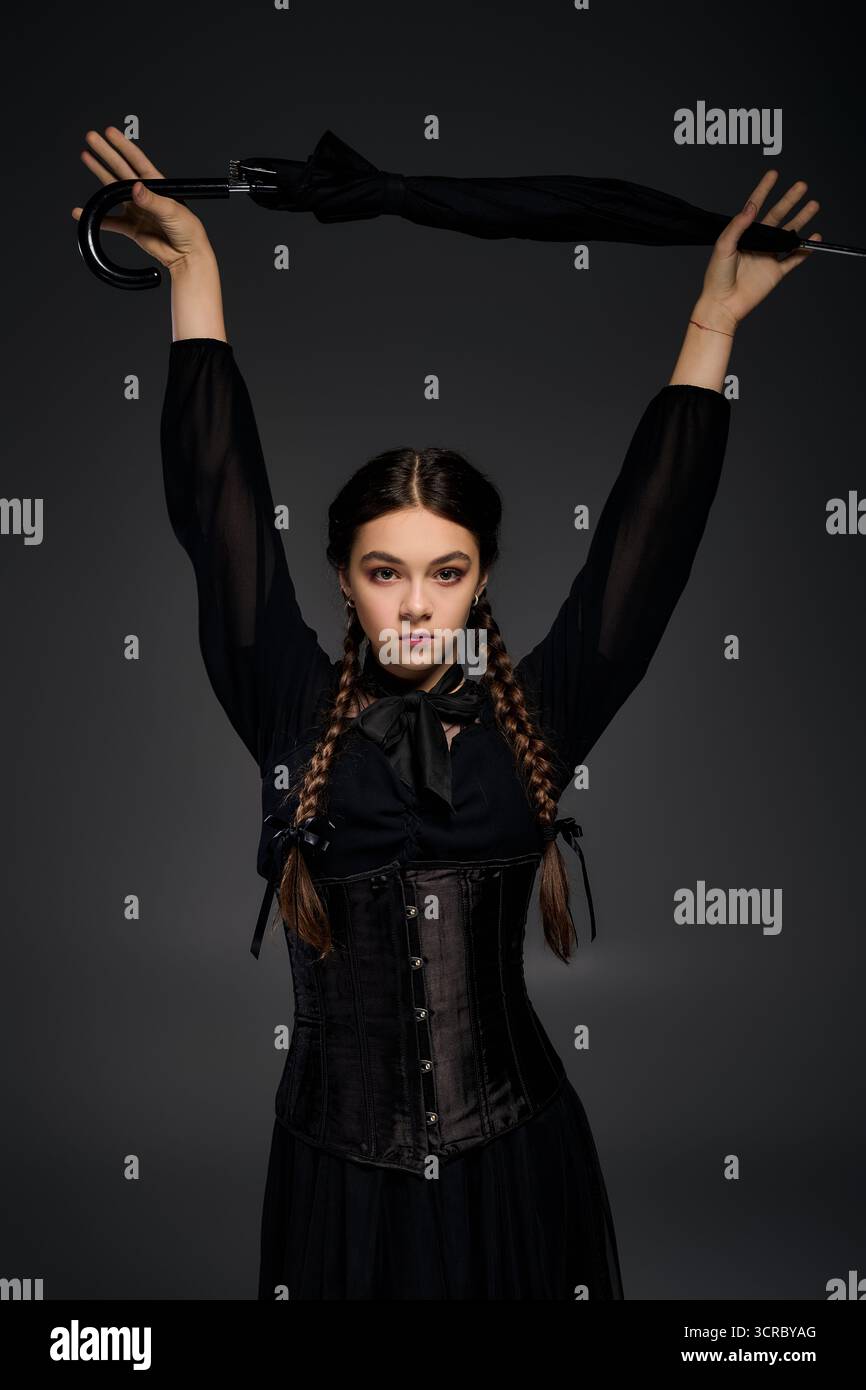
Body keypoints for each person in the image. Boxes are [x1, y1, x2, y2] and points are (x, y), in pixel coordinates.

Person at [73, 127, 822, 1301]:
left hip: (516, 1158)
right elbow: (217, 501)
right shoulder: (286, 699)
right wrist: (194, 274)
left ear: (480, 577)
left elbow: (646, 544)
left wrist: (713, 322)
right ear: (339, 577)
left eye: (444, 569)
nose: (414, 603)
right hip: (337, 1173)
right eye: (384, 571)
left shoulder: (544, 710)